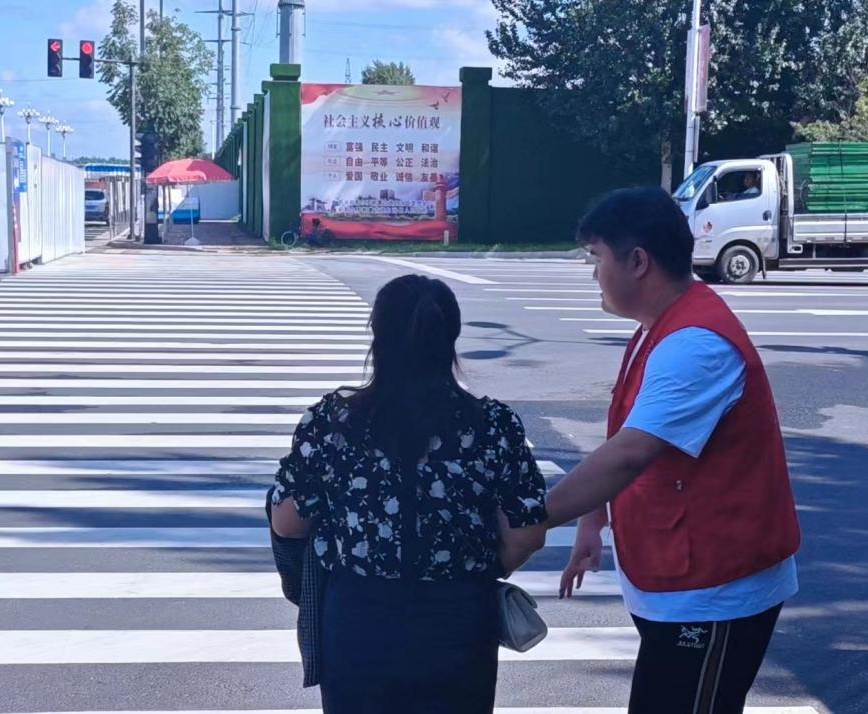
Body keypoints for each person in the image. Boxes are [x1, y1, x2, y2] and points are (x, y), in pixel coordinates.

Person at [544, 187, 800, 714]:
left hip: (715, 592)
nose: (593, 274)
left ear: (638, 262)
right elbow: (629, 431)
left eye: (596, 258)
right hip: (679, 578)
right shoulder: (660, 326)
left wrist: (532, 521)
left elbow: (631, 453)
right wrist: (592, 518)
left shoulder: (695, 343)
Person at [269, 274, 549, 714]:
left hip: (359, 621)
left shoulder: (333, 423)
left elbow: (288, 523)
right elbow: (526, 534)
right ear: (451, 339)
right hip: (459, 619)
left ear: (377, 337)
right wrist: (476, 567)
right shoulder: (492, 426)